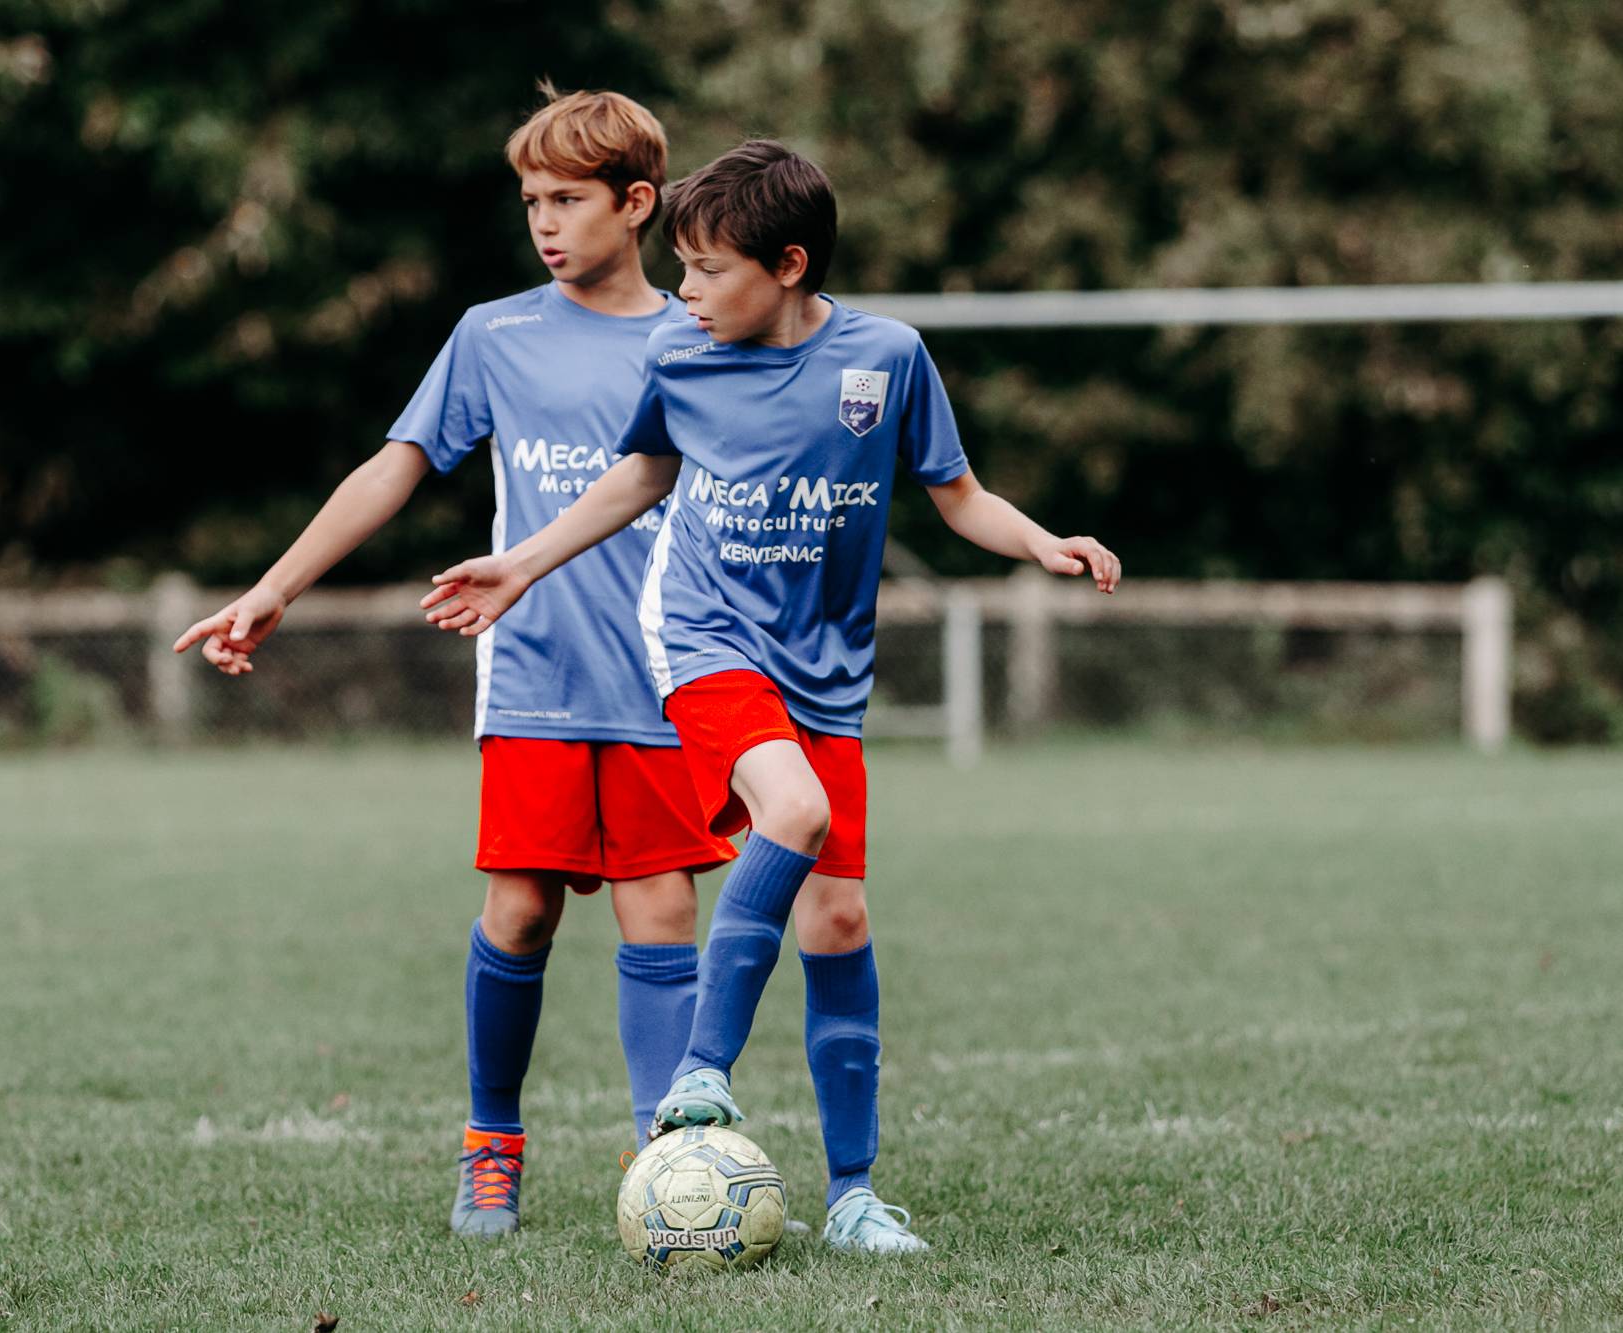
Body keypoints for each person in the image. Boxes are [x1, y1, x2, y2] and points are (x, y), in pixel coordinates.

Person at [421, 139, 1121, 1254]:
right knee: (792, 812)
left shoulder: (885, 358)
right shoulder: (682, 354)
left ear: (788, 265)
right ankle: (699, 1072)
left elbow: (957, 494)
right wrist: (523, 562)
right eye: (682, 268)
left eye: (707, 270)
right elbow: (642, 473)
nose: (685, 290)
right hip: (702, 642)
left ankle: (853, 1197)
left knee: (837, 920)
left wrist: (1041, 543)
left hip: (826, 673)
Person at [174, 87, 732, 1239]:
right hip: (533, 674)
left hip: (665, 676)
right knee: (518, 913)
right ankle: (490, 1148)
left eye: (567, 200)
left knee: (662, 912)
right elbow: (396, 464)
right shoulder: (494, 333)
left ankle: (669, 1163)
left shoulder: (699, 335)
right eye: (530, 202)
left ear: (637, 203)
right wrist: (275, 586)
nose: (544, 222)